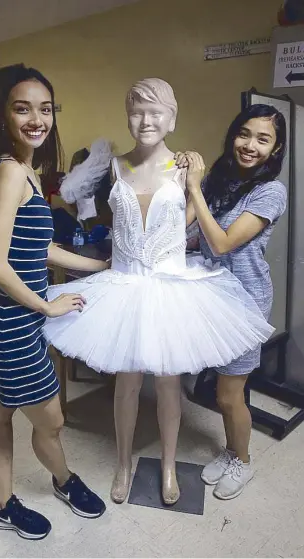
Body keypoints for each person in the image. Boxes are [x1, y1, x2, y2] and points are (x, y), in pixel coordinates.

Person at [43, 79, 274, 507]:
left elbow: (185, 226)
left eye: (156, 112)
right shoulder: (114, 166)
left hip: (171, 286)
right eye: (136, 110)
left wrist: (194, 185)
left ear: (172, 118)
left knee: (169, 384)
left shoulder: (186, 168)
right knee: (125, 384)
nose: (146, 120)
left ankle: (169, 466)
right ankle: (124, 463)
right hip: (125, 286)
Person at [0, 65, 109, 540]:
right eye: (23, 108)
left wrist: (96, 267)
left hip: (10, 322)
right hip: (13, 327)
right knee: (51, 419)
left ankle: (1, 502)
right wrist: (48, 306)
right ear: (5, 115)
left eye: (45, 108)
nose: (37, 118)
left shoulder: (26, 170)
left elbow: (40, 248)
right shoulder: (12, 173)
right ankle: (64, 481)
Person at [175, 103, 287, 500]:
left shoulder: (271, 192)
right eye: (244, 133)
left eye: (263, 139)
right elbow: (186, 227)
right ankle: (229, 451)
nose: (250, 144)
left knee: (228, 393)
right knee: (220, 387)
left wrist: (194, 187)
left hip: (244, 303)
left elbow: (222, 244)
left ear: (275, 150)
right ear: (232, 135)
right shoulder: (218, 182)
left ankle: (242, 461)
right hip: (211, 295)